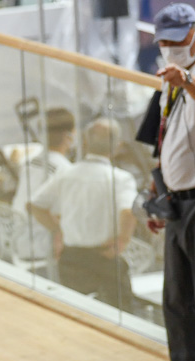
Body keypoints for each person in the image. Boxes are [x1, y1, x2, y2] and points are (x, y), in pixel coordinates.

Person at [140, 3, 195, 361]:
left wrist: (186, 77)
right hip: (179, 201)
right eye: (163, 43)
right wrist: (159, 193)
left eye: (176, 41)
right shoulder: (170, 78)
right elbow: (166, 138)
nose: (170, 49)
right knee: (177, 295)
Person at [27, 117, 139, 310]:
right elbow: (128, 212)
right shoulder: (121, 179)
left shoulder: (67, 174)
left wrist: (58, 229)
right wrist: (122, 240)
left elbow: (35, 205)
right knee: (122, 312)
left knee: (75, 310)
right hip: (105, 257)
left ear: (85, 143)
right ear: (118, 146)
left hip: (72, 258)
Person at [11, 108, 77, 262]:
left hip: (18, 240)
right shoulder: (65, 170)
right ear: (69, 137)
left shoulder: (29, 163)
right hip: (41, 245)